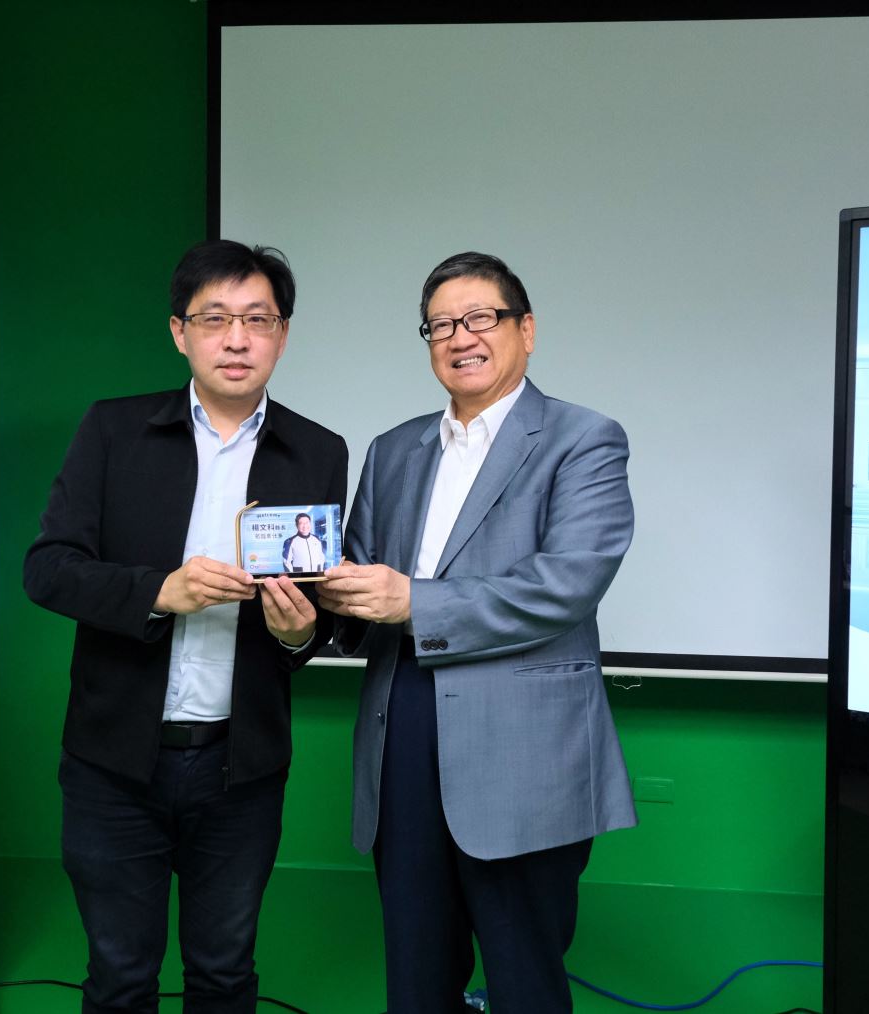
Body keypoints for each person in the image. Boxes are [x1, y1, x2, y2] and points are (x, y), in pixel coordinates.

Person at [24, 240, 347, 1014]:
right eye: (215, 319)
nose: (237, 339)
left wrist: (298, 634)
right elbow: (48, 569)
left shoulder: (319, 451)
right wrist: (159, 591)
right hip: (113, 763)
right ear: (180, 332)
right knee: (119, 978)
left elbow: (320, 616)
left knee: (225, 974)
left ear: (282, 335)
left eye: (258, 320)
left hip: (242, 769)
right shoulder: (114, 430)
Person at [318, 251, 635, 1013]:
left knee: (525, 976)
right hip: (401, 728)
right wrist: (318, 608)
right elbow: (362, 582)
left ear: (527, 330)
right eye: (440, 325)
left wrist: (413, 603)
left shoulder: (582, 438)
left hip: (524, 746)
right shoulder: (393, 450)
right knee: (416, 970)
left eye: (481, 318)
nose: (461, 337)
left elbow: (567, 584)